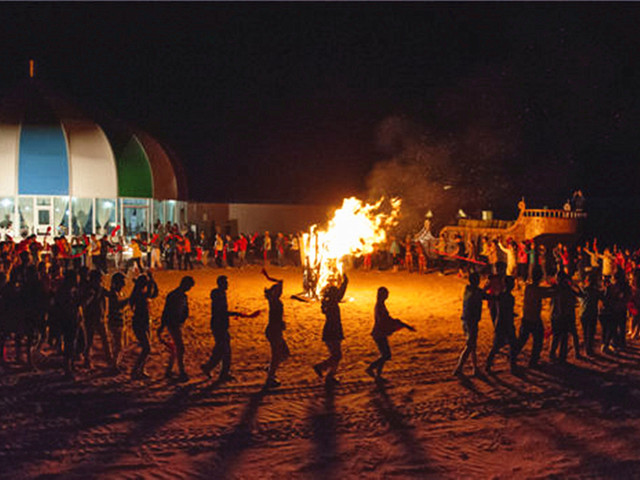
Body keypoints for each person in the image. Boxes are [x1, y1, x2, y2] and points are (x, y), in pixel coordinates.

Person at [201, 275, 259, 382]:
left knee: (221, 349)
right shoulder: (219, 295)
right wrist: (237, 313)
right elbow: (221, 312)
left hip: (220, 325)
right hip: (219, 325)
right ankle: (221, 372)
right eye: (225, 283)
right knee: (225, 351)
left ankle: (209, 367)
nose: (227, 285)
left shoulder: (221, 294)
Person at [363, 286, 416, 380]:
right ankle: (370, 368)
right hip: (379, 334)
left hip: (379, 333)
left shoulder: (380, 305)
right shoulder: (380, 306)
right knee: (386, 355)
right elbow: (384, 320)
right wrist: (399, 324)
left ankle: (378, 375)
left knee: (384, 354)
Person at [514, 267, 554, 368]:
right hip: (534, 319)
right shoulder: (537, 290)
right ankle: (533, 362)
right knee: (538, 342)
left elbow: (545, 291)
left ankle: (512, 357)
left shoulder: (529, 288)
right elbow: (548, 293)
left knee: (522, 340)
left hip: (526, 318)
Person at [313, 274, 349, 384]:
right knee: (337, 355)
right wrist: (345, 281)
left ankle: (330, 376)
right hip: (333, 331)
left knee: (336, 356)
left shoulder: (328, 303)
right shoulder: (333, 304)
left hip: (330, 331)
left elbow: (339, 294)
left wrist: (344, 282)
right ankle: (321, 367)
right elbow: (340, 294)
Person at [158, 276, 194, 382]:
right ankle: (181, 372)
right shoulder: (175, 296)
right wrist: (162, 325)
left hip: (175, 324)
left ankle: (169, 370)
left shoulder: (180, 296)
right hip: (172, 324)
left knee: (176, 348)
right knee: (180, 348)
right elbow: (166, 311)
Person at [453, 272, 488, 376]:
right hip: (471, 321)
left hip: (466, 320)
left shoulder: (467, 289)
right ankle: (459, 367)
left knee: (472, 345)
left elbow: (480, 294)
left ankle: (475, 367)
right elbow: (484, 296)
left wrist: (484, 289)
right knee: (470, 345)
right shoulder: (476, 292)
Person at [262, 269, 290, 387]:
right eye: (278, 290)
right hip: (274, 330)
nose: (281, 291)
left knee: (285, 353)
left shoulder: (275, 300)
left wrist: (268, 276)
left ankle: (271, 368)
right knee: (277, 354)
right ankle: (270, 377)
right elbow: (280, 283)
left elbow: (280, 282)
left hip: (275, 329)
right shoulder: (274, 301)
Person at [129, 271, 158, 379]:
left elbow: (153, 293)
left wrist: (151, 280)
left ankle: (140, 370)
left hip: (143, 322)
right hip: (140, 323)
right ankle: (135, 370)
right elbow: (154, 293)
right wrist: (152, 280)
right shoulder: (141, 295)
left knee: (146, 348)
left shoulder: (138, 293)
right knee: (147, 348)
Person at [485, 275, 518, 374]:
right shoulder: (509, 297)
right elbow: (506, 311)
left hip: (500, 322)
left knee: (498, 345)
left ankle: (489, 363)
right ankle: (512, 365)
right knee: (510, 344)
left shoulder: (500, 295)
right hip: (506, 323)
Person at [83, 269, 113, 369]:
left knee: (103, 338)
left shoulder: (99, 288)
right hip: (91, 317)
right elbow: (85, 303)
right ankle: (87, 359)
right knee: (90, 339)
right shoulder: (89, 289)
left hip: (99, 316)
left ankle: (109, 359)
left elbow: (109, 294)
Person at [106, 272, 129, 370]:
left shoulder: (119, 292)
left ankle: (117, 363)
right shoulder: (113, 294)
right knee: (118, 344)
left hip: (119, 320)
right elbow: (118, 305)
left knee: (121, 344)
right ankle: (114, 365)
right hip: (115, 321)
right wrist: (128, 300)